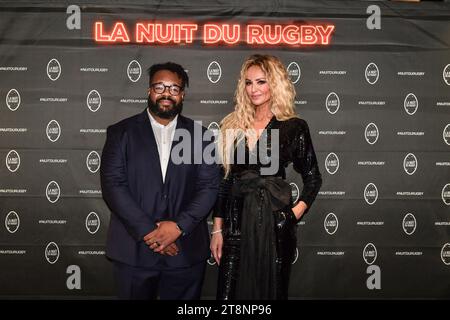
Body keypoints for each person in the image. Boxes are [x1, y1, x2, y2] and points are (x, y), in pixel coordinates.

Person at [100, 62, 220, 300]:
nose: (167, 93)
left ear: (182, 94)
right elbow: (113, 186)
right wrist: (149, 231)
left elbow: (208, 187)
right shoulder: (120, 133)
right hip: (133, 252)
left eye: (174, 88)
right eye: (160, 87)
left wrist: (177, 227)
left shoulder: (201, 136)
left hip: (184, 252)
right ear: (149, 90)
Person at [210, 54, 322, 300]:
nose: (253, 89)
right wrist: (217, 230)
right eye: (248, 83)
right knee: (227, 297)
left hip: (274, 227)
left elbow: (313, 178)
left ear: (275, 83)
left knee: (271, 295)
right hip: (236, 227)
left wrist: (292, 215)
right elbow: (225, 181)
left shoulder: (293, 127)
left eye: (261, 82)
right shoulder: (232, 125)